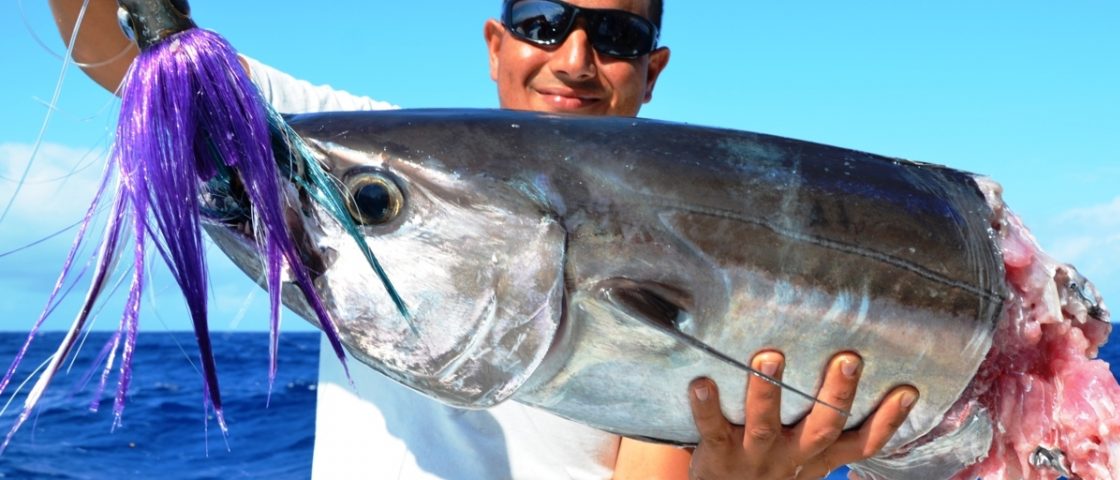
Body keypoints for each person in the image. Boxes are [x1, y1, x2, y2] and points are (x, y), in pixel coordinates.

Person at [49, 0, 920, 478]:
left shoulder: (709, 241)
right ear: (497, 42)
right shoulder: (370, 149)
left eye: (615, 35)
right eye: (546, 21)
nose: (575, 57)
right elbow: (115, 56)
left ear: (653, 70)